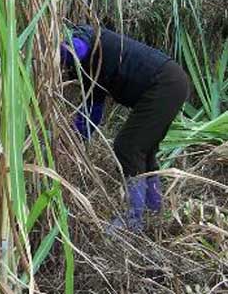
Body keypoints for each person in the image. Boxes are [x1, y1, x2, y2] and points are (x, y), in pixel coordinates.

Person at [60, 24, 189, 232]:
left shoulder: (80, 34)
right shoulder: (90, 70)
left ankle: (132, 220)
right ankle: (155, 211)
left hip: (165, 82)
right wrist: (74, 141)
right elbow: (92, 109)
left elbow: (77, 48)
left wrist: (49, 54)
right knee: (145, 151)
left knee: (128, 147)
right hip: (172, 81)